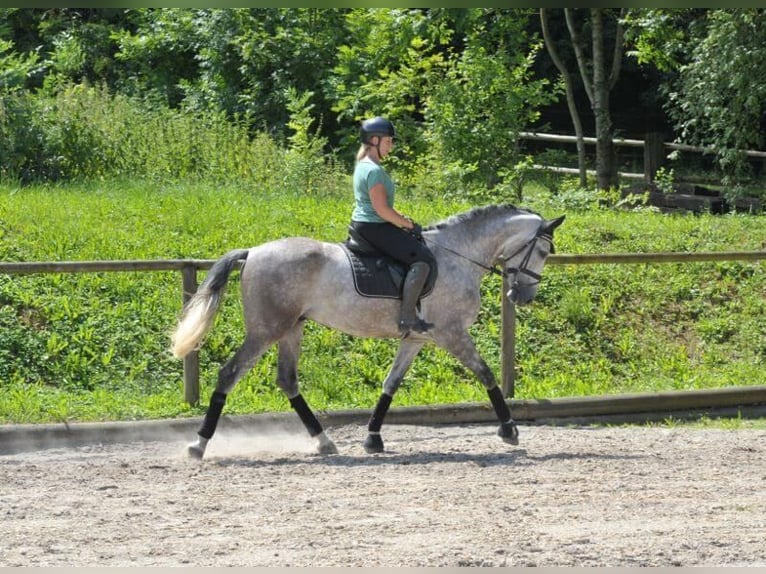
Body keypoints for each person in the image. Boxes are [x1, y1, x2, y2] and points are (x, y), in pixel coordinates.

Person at [349, 116, 435, 335]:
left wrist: (403, 221)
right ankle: (407, 318)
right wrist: (407, 224)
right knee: (423, 259)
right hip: (374, 226)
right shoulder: (374, 171)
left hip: (366, 224)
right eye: (388, 141)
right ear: (374, 141)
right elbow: (381, 209)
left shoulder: (364, 166)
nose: (391, 145)